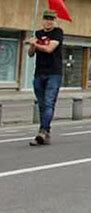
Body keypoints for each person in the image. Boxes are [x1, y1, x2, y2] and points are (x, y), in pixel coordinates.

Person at [27, 10, 65, 146]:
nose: (49, 21)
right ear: (42, 20)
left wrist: (36, 44)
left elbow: (49, 49)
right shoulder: (37, 33)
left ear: (55, 21)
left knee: (49, 102)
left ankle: (42, 131)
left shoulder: (57, 33)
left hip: (53, 73)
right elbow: (31, 54)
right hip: (39, 72)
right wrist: (32, 45)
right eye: (46, 18)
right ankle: (46, 132)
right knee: (42, 104)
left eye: (51, 19)